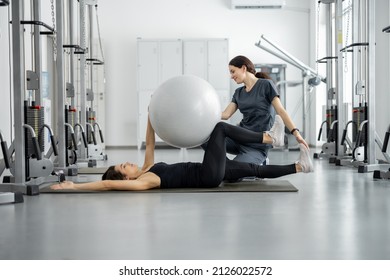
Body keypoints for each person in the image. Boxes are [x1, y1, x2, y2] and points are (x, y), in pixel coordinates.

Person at [51, 114, 313, 191]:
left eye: (123, 164)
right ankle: (269, 137)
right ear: (127, 179)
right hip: (208, 176)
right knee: (220, 129)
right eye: (124, 168)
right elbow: (108, 185)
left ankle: (300, 167)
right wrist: (74, 187)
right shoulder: (145, 181)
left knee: (254, 171)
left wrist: (152, 113)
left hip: (210, 173)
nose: (128, 164)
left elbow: (150, 143)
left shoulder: (146, 169)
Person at [218, 55, 309, 166]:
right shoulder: (238, 92)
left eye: (233, 72)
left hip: (257, 145)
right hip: (239, 139)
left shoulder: (266, 85)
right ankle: (223, 165)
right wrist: (206, 115)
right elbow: (226, 114)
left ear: (243, 68)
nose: (231, 76)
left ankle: (256, 161)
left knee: (231, 174)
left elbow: (281, 111)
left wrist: (296, 134)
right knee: (206, 139)